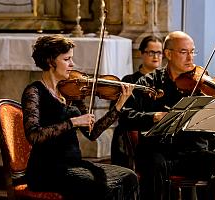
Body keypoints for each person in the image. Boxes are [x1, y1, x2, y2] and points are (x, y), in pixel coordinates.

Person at [21, 34, 139, 200]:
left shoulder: (72, 92)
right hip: (47, 170)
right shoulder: (34, 92)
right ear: (50, 61)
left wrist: (119, 105)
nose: (72, 64)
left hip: (75, 165)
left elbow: (93, 133)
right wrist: (73, 122)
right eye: (67, 59)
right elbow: (34, 135)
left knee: (129, 177)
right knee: (101, 185)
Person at [119, 31, 215, 200]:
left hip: (191, 152)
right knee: (154, 165)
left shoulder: (201, 84)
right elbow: (126, 116)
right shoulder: (148, 82)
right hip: (156, 150)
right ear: (168, 54)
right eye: (184, 52)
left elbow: (210, 131)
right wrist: (154, 117)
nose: (190, 58)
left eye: (192, 51)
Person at [111, 35, 163, 168]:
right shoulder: (130, 80)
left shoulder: (163, 81)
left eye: (159, 53)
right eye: (151, 52)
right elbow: (119, 111)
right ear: (141, 53)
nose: (156, 57)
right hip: (136, 133)